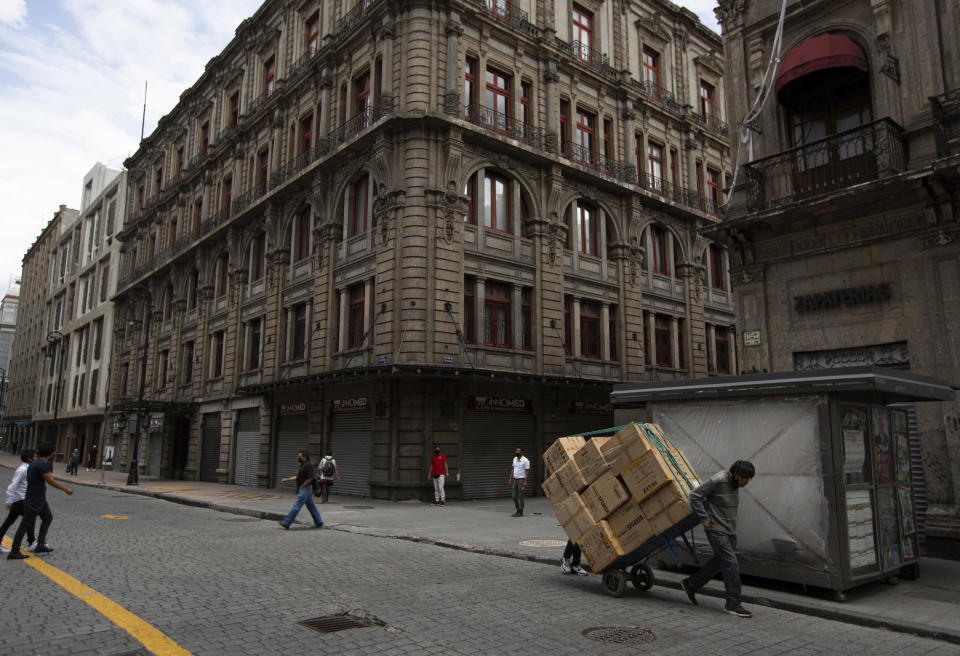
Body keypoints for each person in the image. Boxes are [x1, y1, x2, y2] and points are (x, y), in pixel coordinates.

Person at [680, 460, 756, 618]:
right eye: (745, 478)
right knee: (731, 563)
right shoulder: (718, 480)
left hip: (729, 530)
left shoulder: (735, 483)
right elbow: (695, 495)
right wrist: (705, 518)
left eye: (749, 479)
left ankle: (691, 584)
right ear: (736, 475)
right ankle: (733, 604)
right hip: (716, 529)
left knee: (720, 562)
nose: (747, 482)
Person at [7, 444, 73, 560]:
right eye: (53, 452)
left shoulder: (34, 463)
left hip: (39, 498)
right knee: (25, 525)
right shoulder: (42, 465)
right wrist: (66, 489)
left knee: (47, 517)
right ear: (51, 453)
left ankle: (40, 544)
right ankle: (14, 550)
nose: (53, 454)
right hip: (34, 500)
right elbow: (50, 480)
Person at [0, 449, 37, 554]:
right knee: (29, 518)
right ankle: (32, 542)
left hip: (21, 499)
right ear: (29, 459)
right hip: (20, 500)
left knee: (10, 521)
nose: (36, 458)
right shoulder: (22, 470)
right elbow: (13, 485)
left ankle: (32, 542)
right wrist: (9, 500)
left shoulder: (28, 468)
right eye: (34, 457)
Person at [278, 450, 324, 529]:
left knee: (297, 506)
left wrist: (303, 486)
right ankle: (319, 522)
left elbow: (311, 478)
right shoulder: (302, 465)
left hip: (305, 489)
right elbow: (298, 477)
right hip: (304, 489)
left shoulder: (308, 465)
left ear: (304, 457)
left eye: (300, 456)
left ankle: (287, 522)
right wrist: (287, 479)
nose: (298, 458)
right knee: (311, 506)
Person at [507, 447, 530, 517]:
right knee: (514, 496)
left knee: (520, 496)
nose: (516, 452)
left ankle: (521, 512)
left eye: (518, 451)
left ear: (522, 452)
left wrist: (525, 481)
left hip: (521, 480)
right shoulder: (514, 459)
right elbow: (513, 469)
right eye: (516, 451)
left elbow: (527, 471)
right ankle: (518, 510)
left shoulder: (526, 460)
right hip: (515, 479)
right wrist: (510, 478)